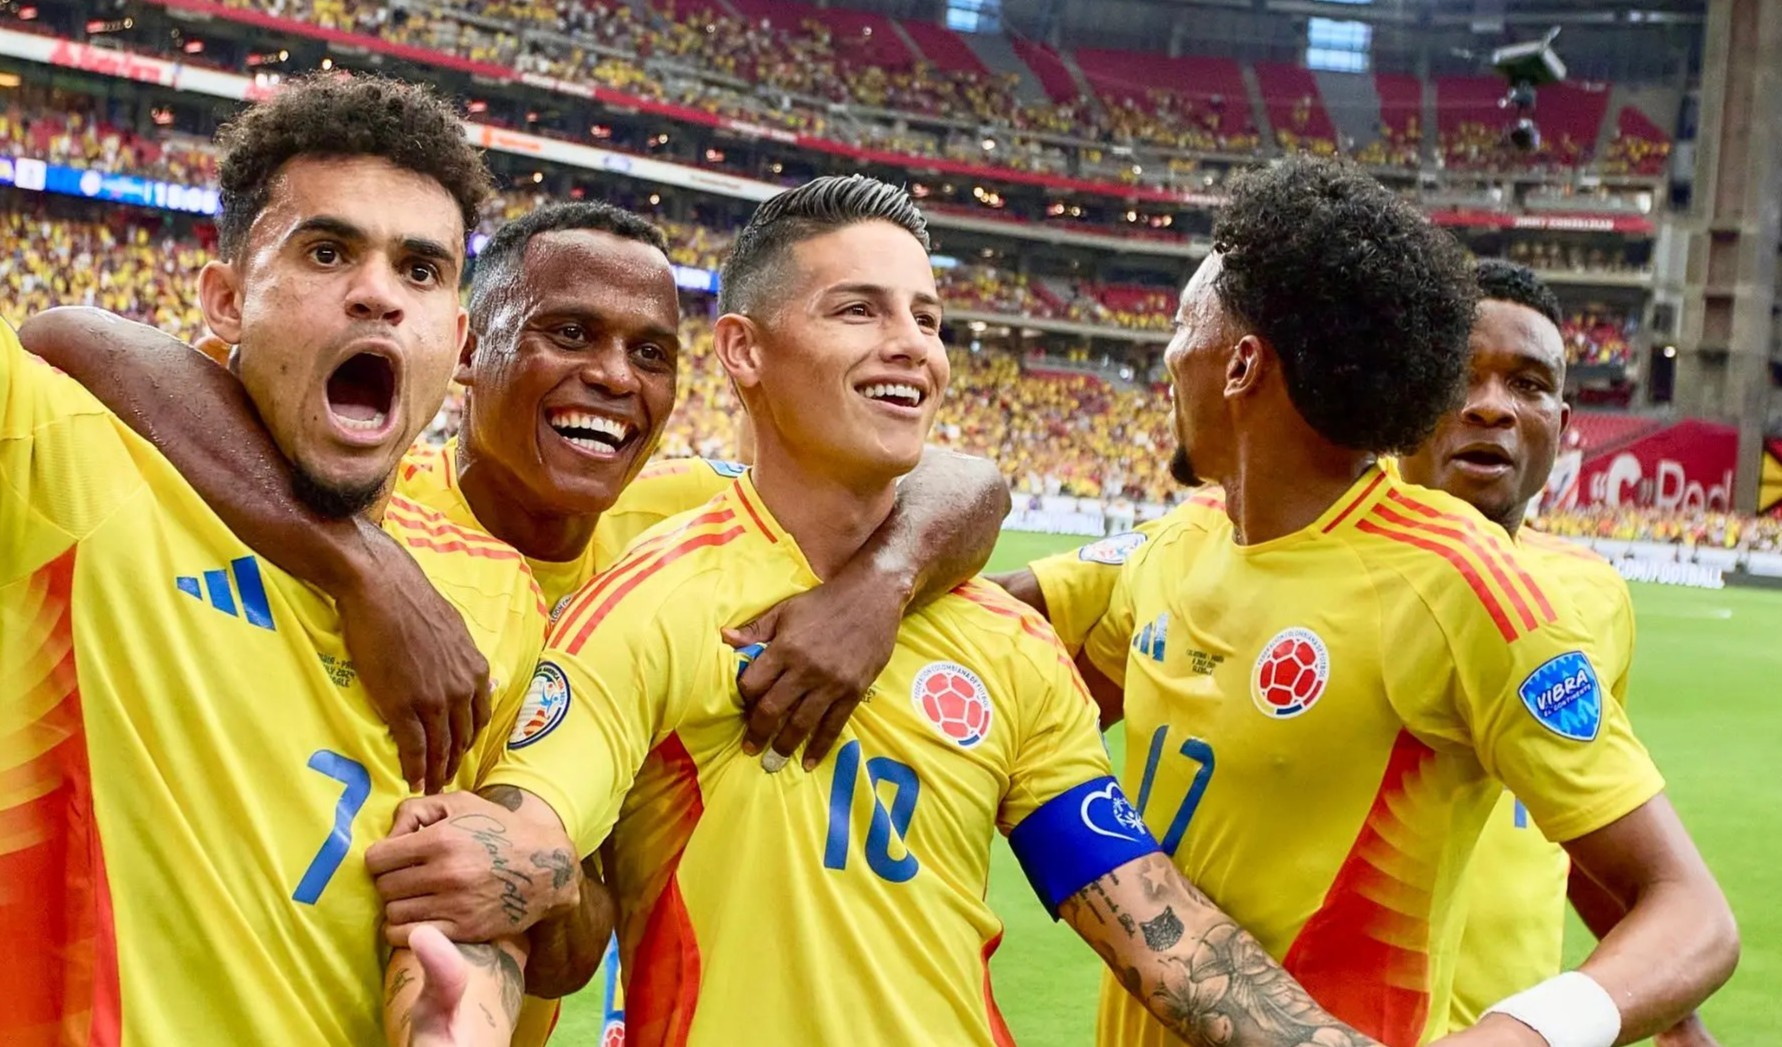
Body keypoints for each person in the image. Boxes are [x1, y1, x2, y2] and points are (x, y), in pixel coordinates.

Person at [371, 175, 1388, 1047]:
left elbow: (1158, 926)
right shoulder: (647, 601)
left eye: (929, 320)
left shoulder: (1005, 637)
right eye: (859, 311)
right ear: (744, 352)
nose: (911, 346)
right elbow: (512, 851)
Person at [22, 198, 1011, 1040]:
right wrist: (368, 569)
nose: (617, 377)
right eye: (568, 333)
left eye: (650, 352)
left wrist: (876, 588)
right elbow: (81, 334)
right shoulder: (359, 496)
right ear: (468, 347)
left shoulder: (676, 525)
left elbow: (966, 479)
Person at [999, 155, 1736, 1047]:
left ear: (1239, 365)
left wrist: (1514, 1037)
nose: (1166, 352)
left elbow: (1691, 911)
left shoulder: (1457, 582)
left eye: (1184, 323)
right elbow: (985, 634)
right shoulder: (1179, 542)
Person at [0, 74, 553, 1043]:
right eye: (327, 251)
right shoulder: (71, 463)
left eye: (422, 271)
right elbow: (56, 336)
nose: (379, 292)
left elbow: (460, 886)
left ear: (459, 342)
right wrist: (354, 562)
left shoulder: (498, 594)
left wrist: (450, 1013)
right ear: (224, 300)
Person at [1397, 261, 1718, 1047]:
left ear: (1563, 422)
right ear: (1402, 396)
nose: (1491, 406)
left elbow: (1589, 828)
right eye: (1459, 375)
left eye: (1528, 384)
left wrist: (1679, 1023)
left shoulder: (1593, 595)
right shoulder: (1316, 560)